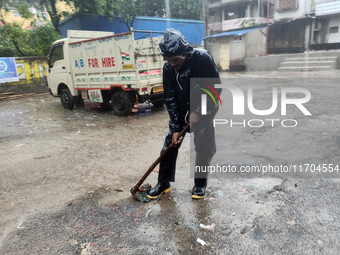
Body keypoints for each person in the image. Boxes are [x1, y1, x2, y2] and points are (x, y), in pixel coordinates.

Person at [147, 28, 220, 199]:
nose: (172, 64)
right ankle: (163, 183)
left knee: (203, 146)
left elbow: (214, 89)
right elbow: (170, 98)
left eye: (176, 61)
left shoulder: (203, 59)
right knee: (170, 145)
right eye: (169, 61)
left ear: (185, 53)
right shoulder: (168, 68)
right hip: (181, 112)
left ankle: (200, 184)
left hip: (204, 109)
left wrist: (198, 111)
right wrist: (175, 127)